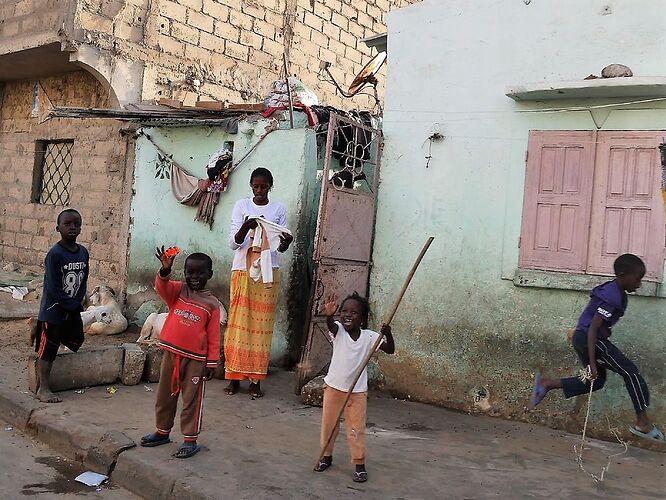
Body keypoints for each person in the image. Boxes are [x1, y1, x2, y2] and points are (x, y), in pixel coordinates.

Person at [532, 254, 664, 443]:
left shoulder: (616, 292)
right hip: (590, 340)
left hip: (584, 338)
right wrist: (593, 362)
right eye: (637, 278)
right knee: (631, 372)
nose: (639, 284)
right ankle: (642, 422)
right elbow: (594, 327)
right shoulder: (612, 296)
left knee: (597, 381)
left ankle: (547, 383)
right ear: (622, 274)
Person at [140, 247, 221, 458]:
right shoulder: (178, 291)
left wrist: (212, 363)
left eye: (200, 273)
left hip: (195, 360)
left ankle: (190, 439)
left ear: (209, 274)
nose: (195, 277)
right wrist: (165, 270)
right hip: (171, 355)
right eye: (190, 272)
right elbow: (161, 286)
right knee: (164, 395)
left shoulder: (212, 305)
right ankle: (162, 432)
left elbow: (213, 337)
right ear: (184, 273)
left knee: (191, 400)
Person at [223, 167, 293, 398]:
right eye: (256, 186)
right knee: (237, 324)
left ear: (270, 186)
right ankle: (233, 377)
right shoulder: (242, 206)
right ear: (251, 186)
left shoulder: (278, 209)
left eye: (264, 186)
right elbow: (234, 244)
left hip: (267, 272)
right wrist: (247, 225)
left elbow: (279, 247)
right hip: (242, 269)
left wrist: (287, 242)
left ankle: (255, 380)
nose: (260, 190)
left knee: (260, 327)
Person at [314, 292, 395, 483]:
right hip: (333, 388)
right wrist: (328, 315)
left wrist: (388, 333)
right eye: (344, 311)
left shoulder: (370, 337)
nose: (348, 315)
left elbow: (390, 350)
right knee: (329, 426)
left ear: (363, 318)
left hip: (357, 392)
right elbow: (331, 325)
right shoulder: (338, 331)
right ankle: (326, 456)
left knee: (356, 429)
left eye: (354, 312)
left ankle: (359, 464)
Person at [31, 209, 89, 404]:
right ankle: (43, 387)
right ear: (58, 228)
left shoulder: (83, 252)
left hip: (72, 307)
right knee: (49, 348)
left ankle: (35, 326)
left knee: (75, 340)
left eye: (76, 224)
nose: (73, 227)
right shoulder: (55, 255)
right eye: (67, 224)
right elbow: (53, 287)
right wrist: (69, 305)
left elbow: (83, 281)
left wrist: (77, 302)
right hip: (53, 310)